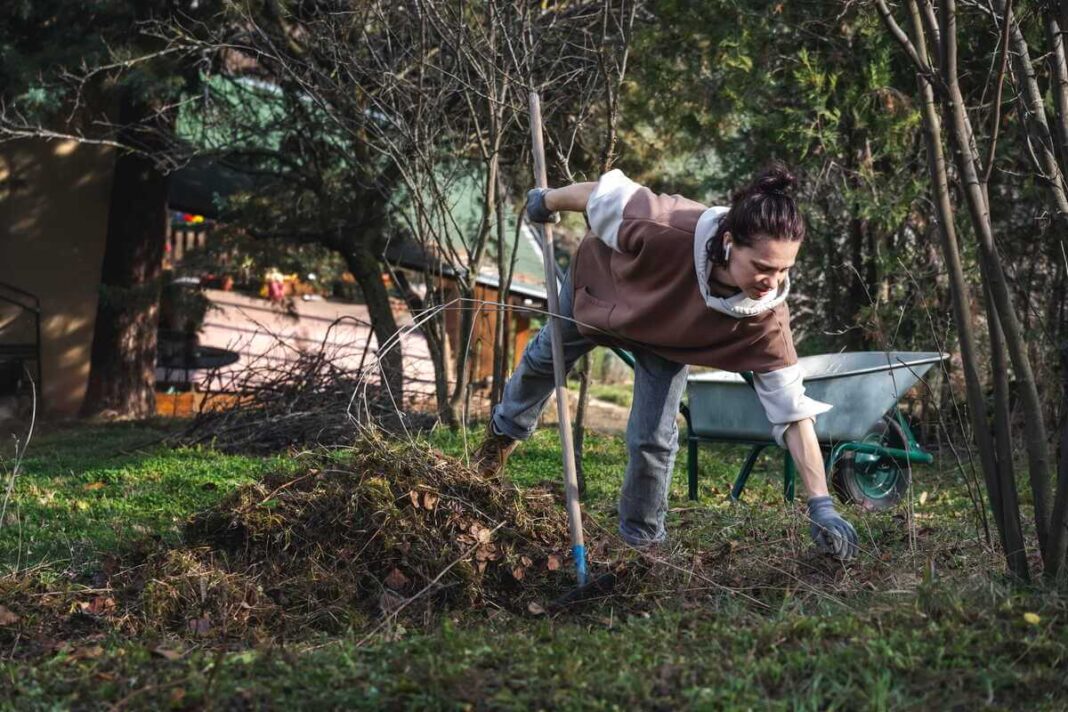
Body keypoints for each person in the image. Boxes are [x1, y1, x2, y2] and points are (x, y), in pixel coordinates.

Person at [474, 164, 858, 561]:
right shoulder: (664, 223)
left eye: (783, 270)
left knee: (653, 439)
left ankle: (640, 544)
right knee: (542, 361)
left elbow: (793, 414)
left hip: (668, 337)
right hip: (602, 289)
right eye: (762, 267)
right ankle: (498, 444)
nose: (771, 281)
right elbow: (598, 195)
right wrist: (546, 200)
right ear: (728, 242)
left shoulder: (765, 319)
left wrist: (821, 504)